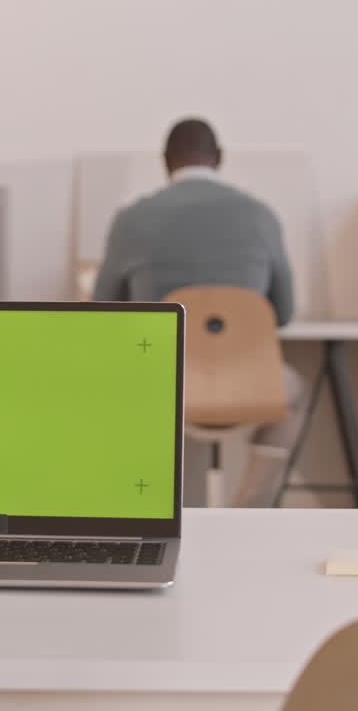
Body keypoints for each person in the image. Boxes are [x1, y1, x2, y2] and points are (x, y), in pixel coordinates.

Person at [92, 117, 302, 507]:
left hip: (163, 383)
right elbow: (285, 312)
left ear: (165, 160)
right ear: (219, 157)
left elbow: (102, 313)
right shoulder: (261, 214)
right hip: (250, 381)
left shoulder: (133, 218)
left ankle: (167, 505)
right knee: (291, 390)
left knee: (136, 387)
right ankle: (249, 508)